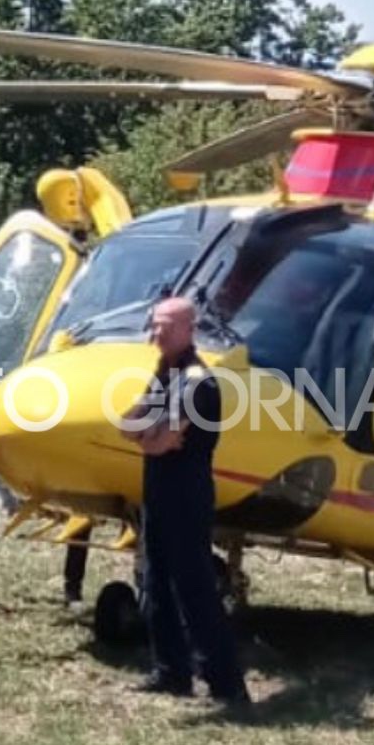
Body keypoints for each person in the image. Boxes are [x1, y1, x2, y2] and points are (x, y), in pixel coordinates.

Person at [124, 296, 248, 705]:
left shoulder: (197, 381)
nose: (155, 332)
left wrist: (150, 434)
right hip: (158, 492)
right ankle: (172, 672)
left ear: (187, 330)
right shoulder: (166, 375)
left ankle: (226, 683)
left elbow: (159, 442)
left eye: (164, 326)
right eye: (154, 324)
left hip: (185, 494)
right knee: (156, 580)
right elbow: (128, 425)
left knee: (194, 587)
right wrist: (149, 434)